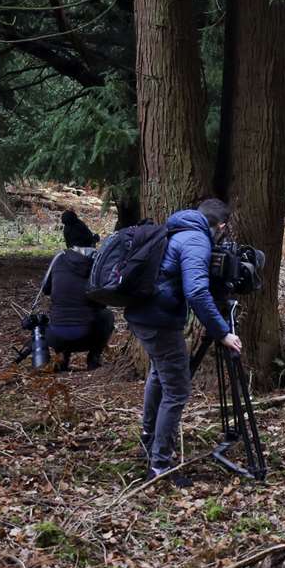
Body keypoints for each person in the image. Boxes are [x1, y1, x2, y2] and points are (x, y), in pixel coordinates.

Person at [126, 198, 244, 480]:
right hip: (159, 321)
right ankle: (160, 466)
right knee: (177, 390)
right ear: (222, 226)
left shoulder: (176, 229)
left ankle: (149, 439)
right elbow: (197, 293)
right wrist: (223, 332)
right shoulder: (195, 241)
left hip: (144, 315)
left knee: (159, 375)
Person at [42, 210, 115, 371]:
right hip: (87, 335)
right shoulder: (97, 262)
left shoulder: (59, 259)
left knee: (58, 314)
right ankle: (94, 357)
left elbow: (45, 289)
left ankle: (63, 357)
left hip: (55, 336)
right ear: (89, 240)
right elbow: (107, 292)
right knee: (107, 316)